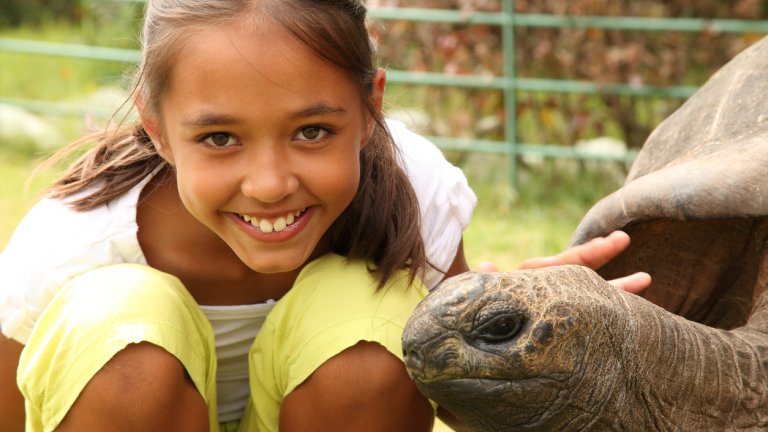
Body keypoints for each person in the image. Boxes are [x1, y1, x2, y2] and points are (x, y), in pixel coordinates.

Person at [0, 1, 649, 431]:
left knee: (364, 330)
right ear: (157, 128)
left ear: (370, 108)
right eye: (220, 138)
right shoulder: (70, 244)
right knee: (122, 328)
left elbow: (452, 394)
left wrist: (516, 321)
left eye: (311, 131)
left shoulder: (417, 190)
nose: (270, 184)